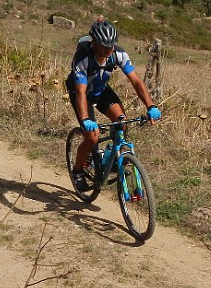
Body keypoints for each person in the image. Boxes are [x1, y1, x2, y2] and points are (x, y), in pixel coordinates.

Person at [67, 18, 161, 192]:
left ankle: (109, 157)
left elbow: (136, 82)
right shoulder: (82, 59)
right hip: (81, 94)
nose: (108, 50)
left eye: (111, 46)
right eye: (104, 46)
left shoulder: (118, 54)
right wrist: (86, 119)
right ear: (94, 43)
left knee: (122, 123)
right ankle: (78, 171)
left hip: (101, 90)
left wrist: (150, 106)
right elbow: (81, 92)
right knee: (92, 137)